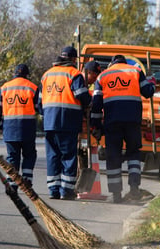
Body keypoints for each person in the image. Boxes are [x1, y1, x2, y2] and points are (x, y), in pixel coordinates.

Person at [91, 55, 156, 203]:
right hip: (132, 121)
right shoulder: (136, 71)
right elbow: (148, 92)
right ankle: (134, 187)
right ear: (125, 63)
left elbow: (96, 104)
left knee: (113, 156)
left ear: (112, 63)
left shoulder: (102, 76)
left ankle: (116, 194)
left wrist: (95, 124)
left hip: (112, 121)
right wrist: (152, 82)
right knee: (134, 153)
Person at [39, 46, 91, 200]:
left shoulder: (46, 75)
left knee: (53, 155)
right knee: (68, 156)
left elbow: (39, 102)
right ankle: (66, 191)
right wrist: (90, 102)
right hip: (68, 121)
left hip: (49, 122)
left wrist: (46, 116)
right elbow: (81, 95)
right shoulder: (74, 74)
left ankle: (53, 190)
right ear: (74, 59)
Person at [0, 64, 39, 191]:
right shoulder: (32, 88)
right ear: (27, 74)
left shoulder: (4, 88)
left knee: (12, 156)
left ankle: (13, 183)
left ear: (14, 74)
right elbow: (39, 107)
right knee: (29, 154)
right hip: (27, 129)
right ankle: (27, 179)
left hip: (10, 129)